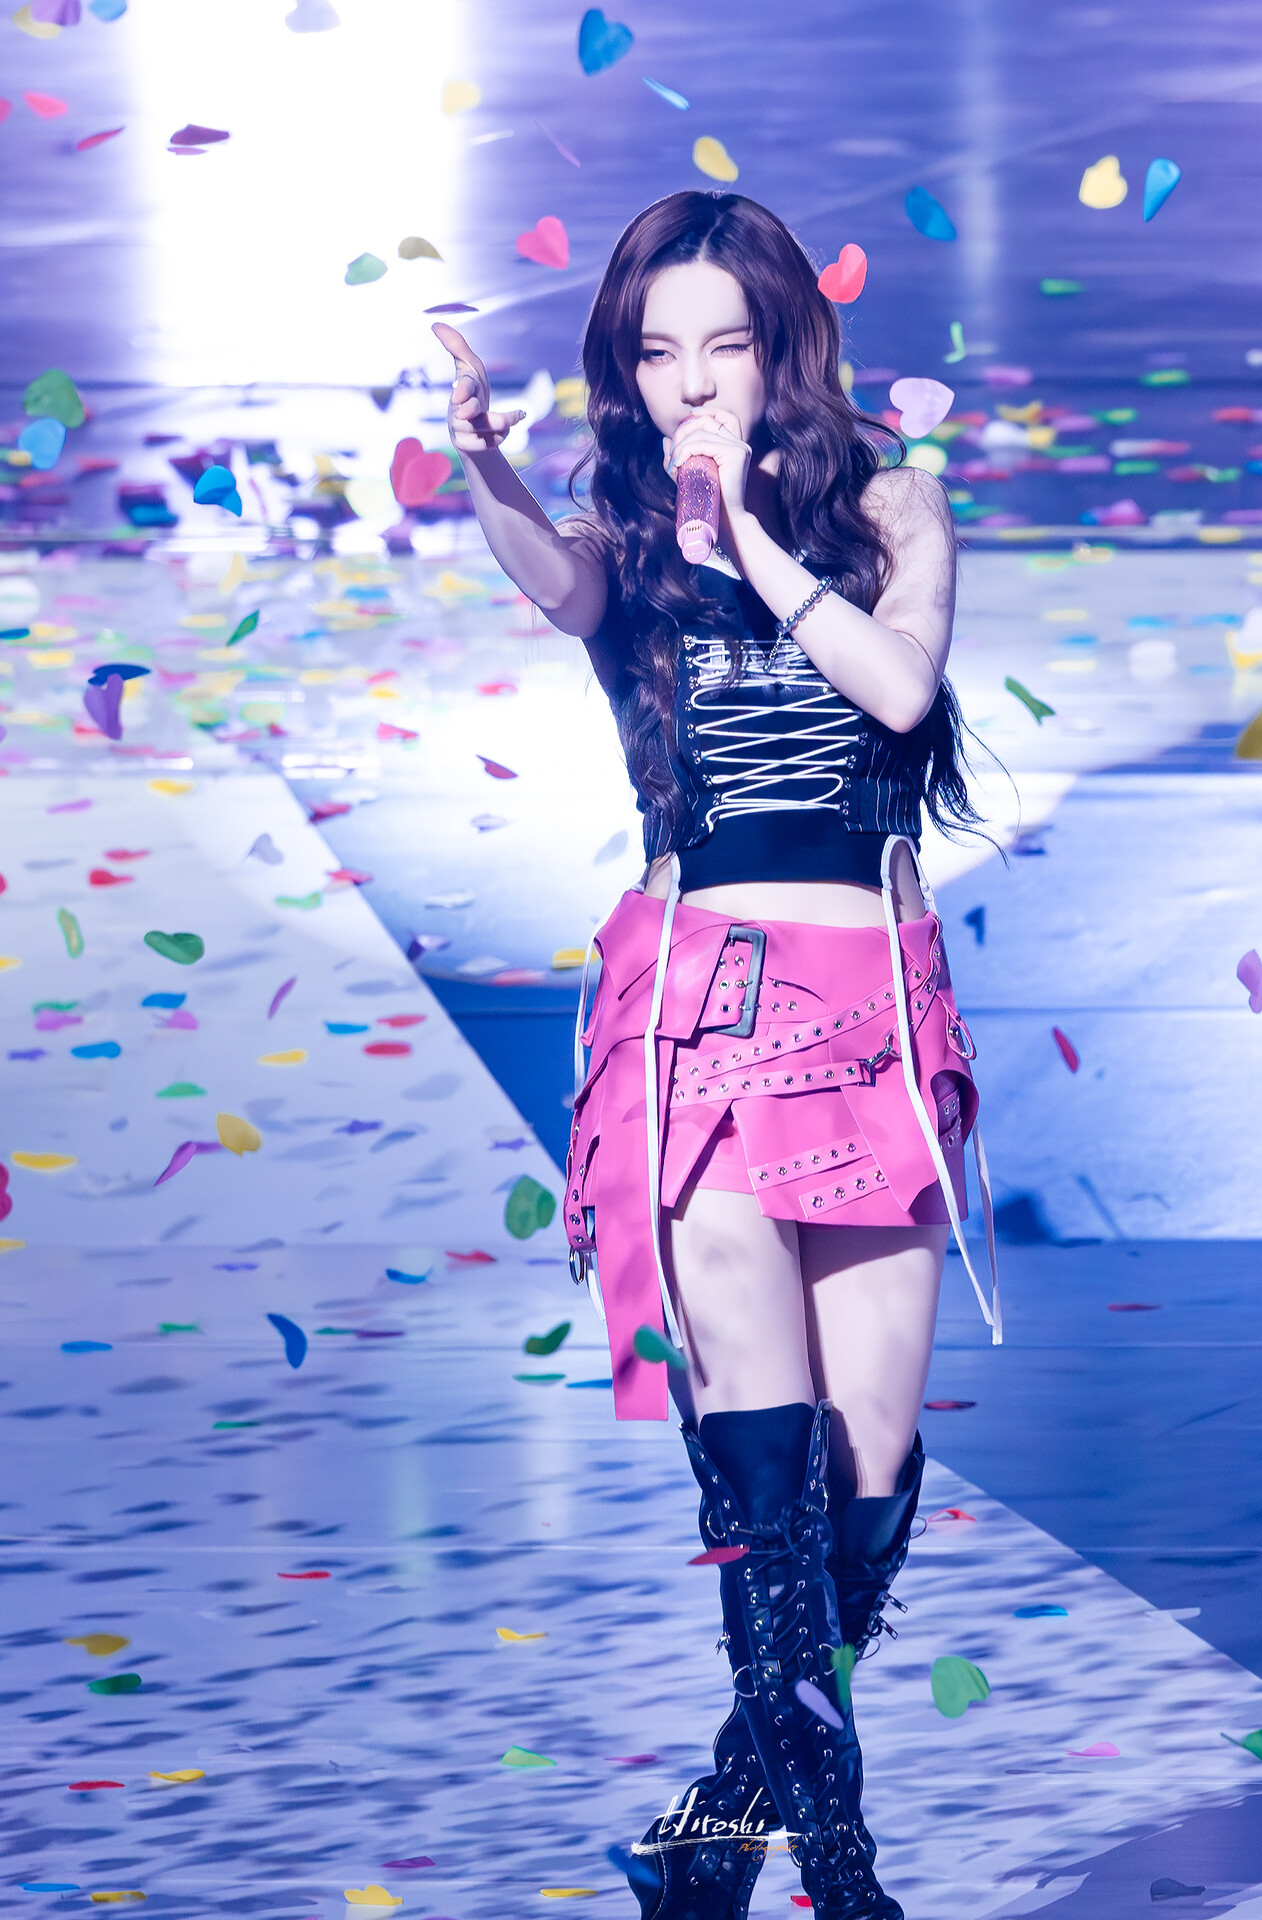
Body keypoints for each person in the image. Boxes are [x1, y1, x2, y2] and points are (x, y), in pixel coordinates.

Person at [436, 189, 999, 1920]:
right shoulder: (624, 532)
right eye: (656, 353)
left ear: (783, 350)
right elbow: (558, 589)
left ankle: (703, 1843)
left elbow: (898, 693)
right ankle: (843, 1879)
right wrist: (484, 460)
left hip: (871, 1022)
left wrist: (748, 529)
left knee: (868, 1496)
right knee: (769, 1481)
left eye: (723, 347)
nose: (689, 385)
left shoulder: (895, 506)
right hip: (703, 1020)